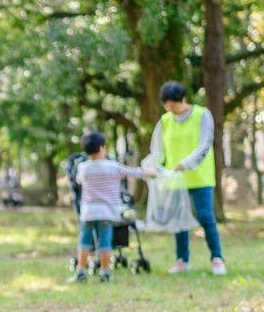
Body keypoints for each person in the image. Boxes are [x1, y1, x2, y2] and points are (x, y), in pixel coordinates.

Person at [145, 81, 226, 275]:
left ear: (183, 99)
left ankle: (217, 258)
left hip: (200, 177)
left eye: (174, 105)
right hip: (175, 179)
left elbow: (204, 144)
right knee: (178, 220)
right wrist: (150, 166)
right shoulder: (165, 121)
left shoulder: (202, 115)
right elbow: (157, 151)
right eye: (167, 106)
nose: (171, 109)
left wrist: (187, 163)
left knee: (206, 217)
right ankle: (182, 260)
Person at [69, 131, 154, 283]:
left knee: (84, 242)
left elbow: (79, 180)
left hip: (88, 212)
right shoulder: (112, 166)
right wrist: (151, 172)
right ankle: (104, 272)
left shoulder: (83, 168)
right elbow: (133, 172)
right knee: (105, 243)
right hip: (107, 212)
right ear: (102, 148)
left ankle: (81, 272)